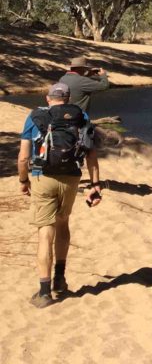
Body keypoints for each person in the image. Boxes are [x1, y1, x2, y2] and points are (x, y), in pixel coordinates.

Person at [17, 82, 101, 308]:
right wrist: (95, 184)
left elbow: (23, 157)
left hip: (42, 177)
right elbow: (91, 154)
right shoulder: (81, 115)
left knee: (45, 231)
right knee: (63, 224)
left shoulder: (35, 117)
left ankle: (44, 292)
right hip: (72, 177)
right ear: (68, 97)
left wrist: (23, 180)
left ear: (48, 98)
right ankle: (60, 279)